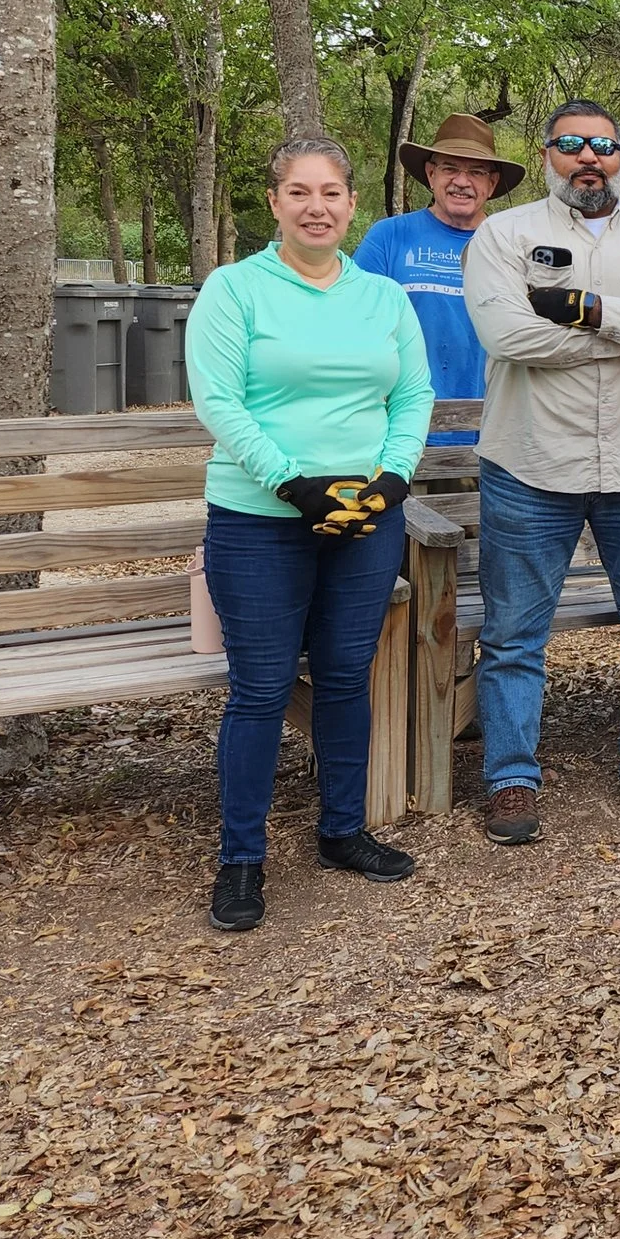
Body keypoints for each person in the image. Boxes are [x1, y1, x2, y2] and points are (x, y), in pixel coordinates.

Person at [186, 138, 433, 932]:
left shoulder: (383, 297)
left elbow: (414, 394)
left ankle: (341, 830)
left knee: (342, 676)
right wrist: (293, 481)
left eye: (330, 192)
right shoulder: (236, 290)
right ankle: (241, 858)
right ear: (275, 203)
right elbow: (219, 400)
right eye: (299, 192)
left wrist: (391, 480)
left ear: (352, 204)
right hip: (262, 518)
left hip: (364, 519)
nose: (316, 206)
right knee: (259, 689)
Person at [462, 99, 620, 844]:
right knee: (513, 633)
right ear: (547, 154)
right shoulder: (506, 235)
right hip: (531, 462)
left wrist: (591, 312)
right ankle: (511, 775)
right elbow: (508, 334)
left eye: (604, 145)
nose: (589, 157)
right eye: (573, 144)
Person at [354, 113, 521, 447]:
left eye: (476, 172)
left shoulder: (515, 244)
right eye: (450, 169)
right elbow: (355, 326)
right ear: (430, 175)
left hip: (498, 435)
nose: (462, 181)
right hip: (405, 435)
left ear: (492, 183)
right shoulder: (390, 238)